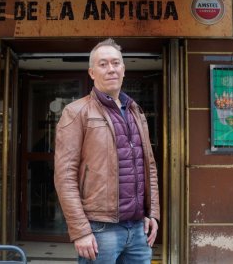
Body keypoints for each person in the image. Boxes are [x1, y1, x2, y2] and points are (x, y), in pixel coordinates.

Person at [54, 38, 160, 263]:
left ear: (123, 69)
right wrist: (80, 230)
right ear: (92, 72)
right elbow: (64, 177)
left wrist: (153, 214)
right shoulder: (76, 112)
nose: (111, 69)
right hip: (100, 230)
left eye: (115, 63)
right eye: (103, 64)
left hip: (139, 229)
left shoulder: (136, 112)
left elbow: (148, 166)